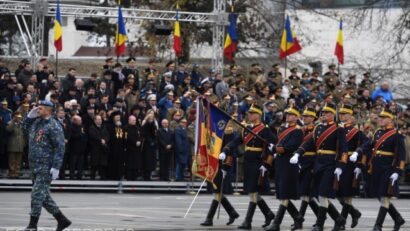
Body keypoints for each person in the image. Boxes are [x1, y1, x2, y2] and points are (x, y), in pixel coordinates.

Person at [291, 103, 347, 231]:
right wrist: (298, 153)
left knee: (322, 194)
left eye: (327, 113)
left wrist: (340, 165)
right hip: (318, 163)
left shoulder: (338, 129)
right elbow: (309, 143)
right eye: (322, 113)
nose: (324, 115)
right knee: (319, 194)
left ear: (333, 114)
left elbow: (344, 149)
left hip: (330, 164)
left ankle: (320, 224)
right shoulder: (318, 128)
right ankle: (339, 220)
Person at [221, 105, 275, 230]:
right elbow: (236, 141)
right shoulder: (246, 129)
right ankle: (269, 214)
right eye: (249, 113)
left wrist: (266, 164)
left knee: (253, 192)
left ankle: (248, 221)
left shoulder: (265, 129)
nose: (249, 115)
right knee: (252, 191)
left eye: (252, 113)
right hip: (248, 162)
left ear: (258, 115)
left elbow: (272, 148)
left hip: (258, 163)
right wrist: (226, 149)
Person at [353, 107, 405, 231]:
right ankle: (398, 219)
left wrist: (398, 171)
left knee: (385, 197)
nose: (380, 120)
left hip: (388, 169)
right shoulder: (377, 133)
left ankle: (378, 225)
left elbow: (401, 157)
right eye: (380, 118)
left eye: (383, 118)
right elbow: (368, 145)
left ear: (390, 119)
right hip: (376, 169)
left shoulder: (396, 136)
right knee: (380, 196)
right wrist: (358, 152)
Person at [23, 100, 71, 231]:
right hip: (34, 165)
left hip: (46, 166)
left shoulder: (54, 126)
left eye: (40, 109)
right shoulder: (36, 122)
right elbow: (24, 130)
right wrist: (28, 118)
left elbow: (60, 147)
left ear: (48, 110)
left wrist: (56, 167)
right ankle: (62, 220)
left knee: (36, 195)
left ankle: (32, 225)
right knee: (43, 197)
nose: (38, 110)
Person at [265, 106, 304, 231]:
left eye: (291, 115)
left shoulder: (298, 130)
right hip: (280, 162)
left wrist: (276, 149)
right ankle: (297, 217)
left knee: (285, 193)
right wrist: (274, 146)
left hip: (289, 162)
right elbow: (280, 143)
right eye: (287, 114)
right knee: (282, 192)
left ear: (297, 117)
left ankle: (276, 223)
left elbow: (292, 146)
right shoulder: (282, 128)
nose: (288, 116)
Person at [336, 104, 368, 229]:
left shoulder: (356, 132)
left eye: (344, 114)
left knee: (347, 193)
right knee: (338, 193)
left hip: (350, 163)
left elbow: (366, 146)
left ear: (350, 116)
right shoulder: (337, 129)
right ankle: (354, 213)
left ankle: (341, 222)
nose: (342, 116)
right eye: (340, 113)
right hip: (338, 162)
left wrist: (359, 161)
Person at [291, 105, 319, 230]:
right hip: (302, 161)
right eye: (304, 116)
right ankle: (327, 217)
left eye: (308, 116)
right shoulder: (301, 130)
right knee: (307, 194)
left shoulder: (316, 130)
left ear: (313, 118)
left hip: (312, 162)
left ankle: (299, 220)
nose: (305, 118)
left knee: (306, 193)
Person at [89, 115, 110, 180]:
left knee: (103, 163)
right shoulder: (92, 127)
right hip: (95, 147)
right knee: (94, 163)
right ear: (95, 120)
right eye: (98, 119)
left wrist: (105, 140)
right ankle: (92, 176)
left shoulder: (104, 127)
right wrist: (100, 140)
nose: (99, 121)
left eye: (100, 119)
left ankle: (103, 176)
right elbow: (93, 135)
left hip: (103, 148)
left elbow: (107, 135)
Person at [6, 112, 25, 178]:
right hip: (12, 145)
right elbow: (8, 129)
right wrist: (13, 121)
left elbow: (24, 133)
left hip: (20, 145)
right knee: (12, 161)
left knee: (18, 161)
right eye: (17, 117)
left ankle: (17, 173)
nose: (18, 118)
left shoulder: (21, 124)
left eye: (19, 117)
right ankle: (12, 173)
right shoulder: (10, 123)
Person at [68, 115, 87, 180]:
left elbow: (84, 134)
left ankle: (80, 175)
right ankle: (72, 175)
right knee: (73, 163)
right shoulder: (71, 127)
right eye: (79, 120)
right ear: (75, 121)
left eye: (81, 120)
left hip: (81, 147)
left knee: (80, 163)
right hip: (74, 147)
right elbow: (71, 137)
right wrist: (79, 135)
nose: (81, 121)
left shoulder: (82, 126)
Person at [125, 115, 142, 181]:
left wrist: (140, 141)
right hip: (129, 148)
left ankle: (135, 176)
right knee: (129, 164)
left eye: (135, 120)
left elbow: (139, 135)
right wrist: (135, 142)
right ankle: (129, 177)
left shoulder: (137, 128)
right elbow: (127, 137)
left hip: (137, 149)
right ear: (129, 120)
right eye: (133, 120)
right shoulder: (126, 128)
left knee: (136, 163)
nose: (134, 121)